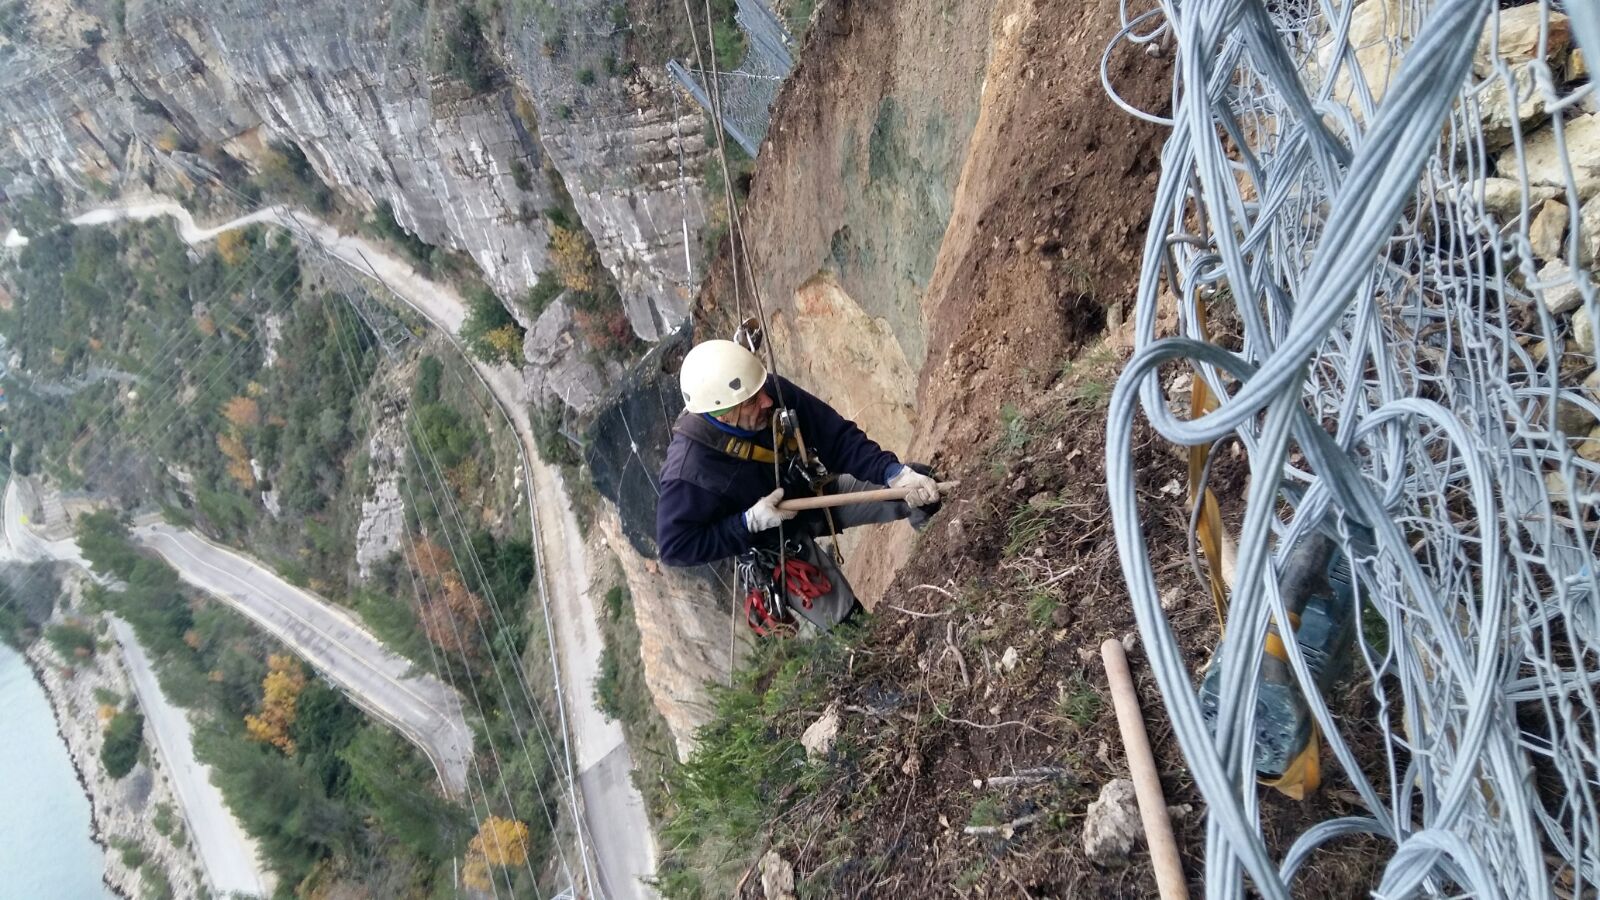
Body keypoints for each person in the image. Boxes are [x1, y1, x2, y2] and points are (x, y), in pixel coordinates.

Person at [656, 338, 941, 630]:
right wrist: (747, 523)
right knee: (851, 627)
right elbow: (675, 546)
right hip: (775, 546)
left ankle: (943, 563)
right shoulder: (689, 471)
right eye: (753, 401)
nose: (767, 401)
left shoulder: (769, 391)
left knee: (919, 491)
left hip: (813, 494)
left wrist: (892, 472)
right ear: (723, 413)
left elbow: (836, 438)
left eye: (761, 391)